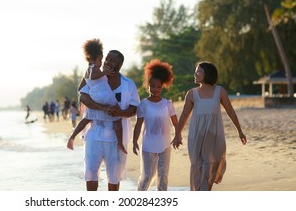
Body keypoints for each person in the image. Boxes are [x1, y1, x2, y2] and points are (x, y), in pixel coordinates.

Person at [68, 49, 139, 191]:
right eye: (106, 58)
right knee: (91, 173)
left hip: (118, 137)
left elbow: (134, 108)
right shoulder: (96, 79)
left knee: (114, 176)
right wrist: (103, 109)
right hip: (94, 134)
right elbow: (83, 97)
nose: (107, 62)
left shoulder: (128, 84)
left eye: (112, 60)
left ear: (119, 65)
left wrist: (120, 112)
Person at [171, 61, 247, 191]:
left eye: (198, 71)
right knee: (198, 167)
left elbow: (230, 111)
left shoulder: (220, 91)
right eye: (195, 71)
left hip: (215, 136)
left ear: (208, 74)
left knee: (211, 166)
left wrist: (240, 131)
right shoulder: (191, 93)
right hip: (196, 136)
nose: (195, 74)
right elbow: (184, 116)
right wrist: (177, 135)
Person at [67, 38, 126, 154]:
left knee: (87, 118)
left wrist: (84, 92)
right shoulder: (94, 69)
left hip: (95, 96)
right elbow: (94, 76)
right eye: (100, 60)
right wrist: (105, 73)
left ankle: (72, 136)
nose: (101, 62)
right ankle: (120, 142)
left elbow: (81, 87)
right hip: (103, 95)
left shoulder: (87, 70)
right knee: (117, 118)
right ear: (93, 60)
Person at [133, 59, 178, 191]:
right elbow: (138, 124)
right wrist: (135, 141)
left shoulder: (167, 104)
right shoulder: (143, 105)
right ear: (148, 86)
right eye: (153, 86)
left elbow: (176, 123)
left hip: (165, 145)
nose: (156, 89)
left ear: (162, 86)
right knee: (147, 176)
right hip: (148, 146)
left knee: (163, 177)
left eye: (159, 86)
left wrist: (177, 136)